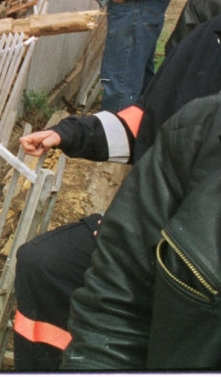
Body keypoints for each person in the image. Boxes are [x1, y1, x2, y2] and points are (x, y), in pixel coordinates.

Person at [11, 4, 221, 371]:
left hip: (191, 260)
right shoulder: (208, 35)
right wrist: (69, 133)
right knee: (41, 262)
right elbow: (147, 121)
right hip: (152, 223)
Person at [62, 91, 221, 369]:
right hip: (144, 206)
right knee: (42, 263)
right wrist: (75, 132)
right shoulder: (203, 122)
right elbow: (145, 115)